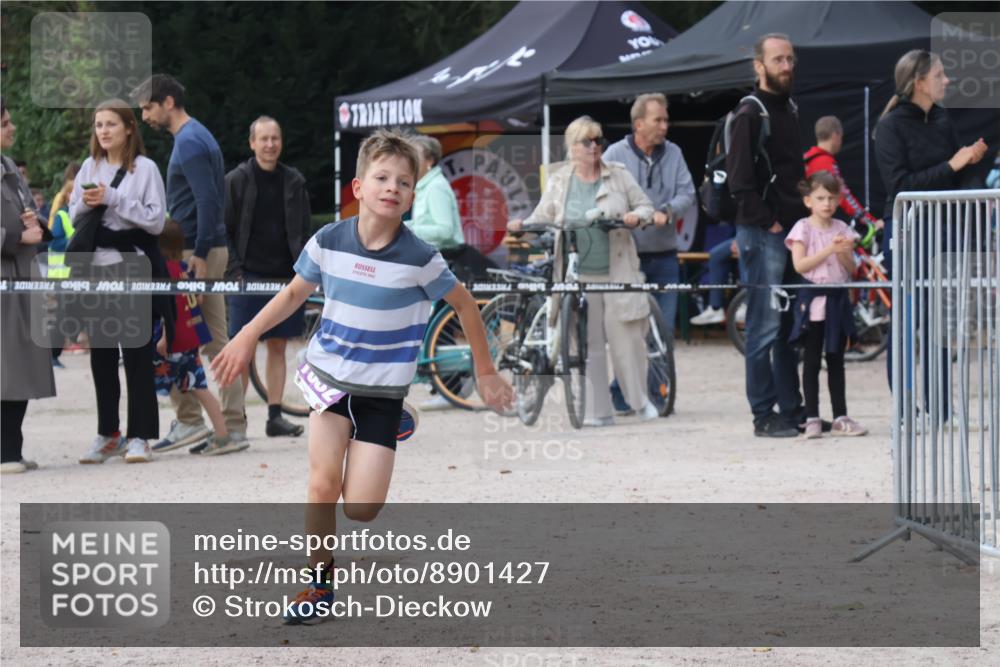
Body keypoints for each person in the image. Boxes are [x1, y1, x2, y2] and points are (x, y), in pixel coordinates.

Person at [211, 130, 513, 623]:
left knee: (362, 509)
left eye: (404, 181)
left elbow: (464, 305)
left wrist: (485, 370)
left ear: (413, 195)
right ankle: (318, 584)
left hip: (381, 396)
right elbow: (291, 295)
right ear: (358, 187)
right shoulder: (328, 240)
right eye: (382, 178)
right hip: (330, 382)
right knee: (322, 485)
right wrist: (245, 336)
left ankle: (396, 423)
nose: (393, 187)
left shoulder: (420, 257)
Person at [508, 116, 658, 426]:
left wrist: (634, 216)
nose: (594, 147)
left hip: (616, 270)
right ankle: (598, 411)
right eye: (587, 141)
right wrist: (523, 226)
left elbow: (647, 207)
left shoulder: (619, 175)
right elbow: (542, 215)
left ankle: (639, 401)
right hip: (577, 273)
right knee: (588, 345)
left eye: (598, 140)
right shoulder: (560, 179)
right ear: (572, 147)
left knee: (627, 338)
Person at [132, 74, 248, 453]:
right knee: (217, 341)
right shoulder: (195, 136)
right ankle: (230, 428)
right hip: (206, 249)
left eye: (147, 107)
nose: (145, 116)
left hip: (193, 253)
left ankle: (190, 422)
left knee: (176, 338)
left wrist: (197, 253)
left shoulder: (191, 141)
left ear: (167, 102)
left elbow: (208, 201)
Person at [874, 49, 988, 407]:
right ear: (919, 82)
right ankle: (905, 411)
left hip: (943, 229)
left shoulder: (941, 119)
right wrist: (954, 164)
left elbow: (956, 175)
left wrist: (972, 161)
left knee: (940, 322)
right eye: (940, 75)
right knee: (907, 320)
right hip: (907, 232)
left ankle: (939, 408)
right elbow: (901, 186)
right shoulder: (890, 127)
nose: (947, 80)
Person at [71, 99, 166, 464]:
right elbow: (73, 212)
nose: (104, 131)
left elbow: (156, 222)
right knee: (103, 355)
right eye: (98, 125)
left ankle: (140, 434)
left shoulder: (146, 169)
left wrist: (112, 197)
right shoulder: (88, 166)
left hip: (132, 266)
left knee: (138, 353)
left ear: (129, 128)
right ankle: (107, 432)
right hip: (96, 268)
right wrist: (89, 202)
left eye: (111, 124)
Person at [726, 33, 808, 438]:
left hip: (792, 234)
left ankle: (791, 409)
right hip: (764, 234)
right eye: (779, 60)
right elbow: (738, 183)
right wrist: (771, 223)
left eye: (791, 59)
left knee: (789, 324)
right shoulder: (748, 112)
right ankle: (763, 414)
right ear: (758, 65)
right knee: (763, 325)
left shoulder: (790, 107)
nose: (787, 66)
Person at [224, 115, 310, 438]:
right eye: (264, 139)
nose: (270, 144)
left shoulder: (295, 181)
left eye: (275, 138)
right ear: (252, 143)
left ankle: (275, 416)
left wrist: (302, 269)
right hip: (247, 277)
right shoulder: (236, 180)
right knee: (241, 350)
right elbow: (226, 229)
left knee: (278, 346)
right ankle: (236, 419)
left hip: (286, 279)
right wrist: (234, 272)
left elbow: (303, 229)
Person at [603, 93, 695, 341]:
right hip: (626, 259)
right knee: (629, 335)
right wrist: (624, 215)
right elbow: (598, 194)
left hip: (665, 256)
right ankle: (623, 382)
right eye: (658, 120)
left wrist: (667, 211)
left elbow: (688, 192)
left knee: (662, 336)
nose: (665, 126)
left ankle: (659, 381)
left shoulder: (674, 152)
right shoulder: (614, 155)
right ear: (639, 124)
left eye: (666, 120)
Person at [785, 171, 868, 438]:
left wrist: (844, 253)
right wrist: (828, 250)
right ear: (808, 200)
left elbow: (851, 268)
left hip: (837, 300)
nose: (827, 204)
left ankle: (840, 415)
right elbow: (800, 265)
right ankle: (811, 417)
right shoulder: (803, 228)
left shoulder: (843, 229)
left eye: (832, 198)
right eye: (821, 198)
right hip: (812, 301)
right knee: (811, 360)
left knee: (836, 359)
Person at [1, 98, 57, 474]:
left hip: (23, 279)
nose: (11, 127)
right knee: (6, 367)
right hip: (5, 281)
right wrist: (15, 237)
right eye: (5, 123)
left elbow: (30, 216)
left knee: (22, 366)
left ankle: (12, 448)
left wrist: (37, 228)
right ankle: (4, 452)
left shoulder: (8, 166)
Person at [155, 220, 243, 455]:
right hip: (192, 336)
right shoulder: (185, 269)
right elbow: (200, 298)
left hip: (176, 340)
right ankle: (223, 432)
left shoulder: (166, 272)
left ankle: (215, 432)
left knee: (197, 388)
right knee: (198, 386)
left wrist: (164, 338)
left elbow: (169, 310)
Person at [803, 116, 882, 232]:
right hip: (824, 227)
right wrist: (871, 221)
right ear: (836, 135)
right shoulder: (827, 163)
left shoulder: (806, 159)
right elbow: (843, 197)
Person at [46, 162, 81, 367]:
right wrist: (75, 241)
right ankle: (52, 354)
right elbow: (55, 241)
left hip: (77, 275)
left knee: (72, 313)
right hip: (62, 276)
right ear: (67, 196)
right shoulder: (62, 215)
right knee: (61, 315)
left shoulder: (84, 214)